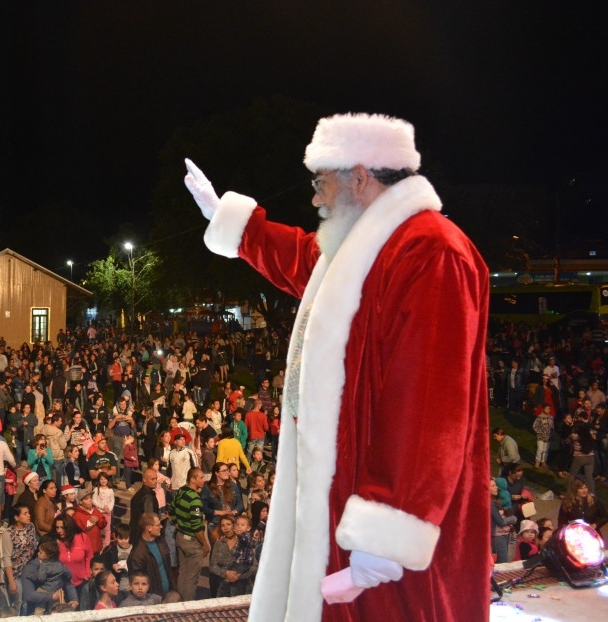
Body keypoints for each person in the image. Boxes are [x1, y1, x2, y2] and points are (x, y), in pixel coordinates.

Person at [184, 113, 490, 621]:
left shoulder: (432, 251)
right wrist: (233, 224)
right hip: (345, 492)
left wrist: (387, 534)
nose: (313, 198)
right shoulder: (367, 244)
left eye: (319, 182)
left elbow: (429, 404)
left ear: (360, 177)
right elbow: (301, 257)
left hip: (383, 524)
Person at [171, 466, 210, 601]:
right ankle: (188, 604)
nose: (203, 480)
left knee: (182, 573)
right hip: (193, 542)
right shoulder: (195, 500)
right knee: (192, 578)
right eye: (201, 478)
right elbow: (197, 527)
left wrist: (179, 524)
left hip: (180, 536)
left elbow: (172, 510)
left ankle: (179, 601)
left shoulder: (181, 491)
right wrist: (205, 544)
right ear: (193, 479)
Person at [0, 503, 40, 613]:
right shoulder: (8, 533)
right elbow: (6, 558)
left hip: (29, 573)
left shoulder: (31, 526)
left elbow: (34, 547)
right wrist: (11, 581)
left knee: (27, 603)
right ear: (16, 517)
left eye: (28, 513)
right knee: (18, 604)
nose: (29, 515)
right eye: (25, 513)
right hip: (16, 574)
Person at [126, 512, 175, 599]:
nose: (161, 527)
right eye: (158, 525)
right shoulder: (137, 555)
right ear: (149, 528)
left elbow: (168, 568)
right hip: (152, 599)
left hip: (168, 594)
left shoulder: (161, 541)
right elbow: (138, 583)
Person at [209, 514, 259, 596]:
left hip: (244, 589)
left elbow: (254, 566)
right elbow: (213, 566)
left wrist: (240, 576)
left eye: (228, 524)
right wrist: (226, 573)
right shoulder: (219, 544)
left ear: (235, 526)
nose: (226, 528)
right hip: (224, 589)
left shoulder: (244, 542)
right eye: (223, 525)